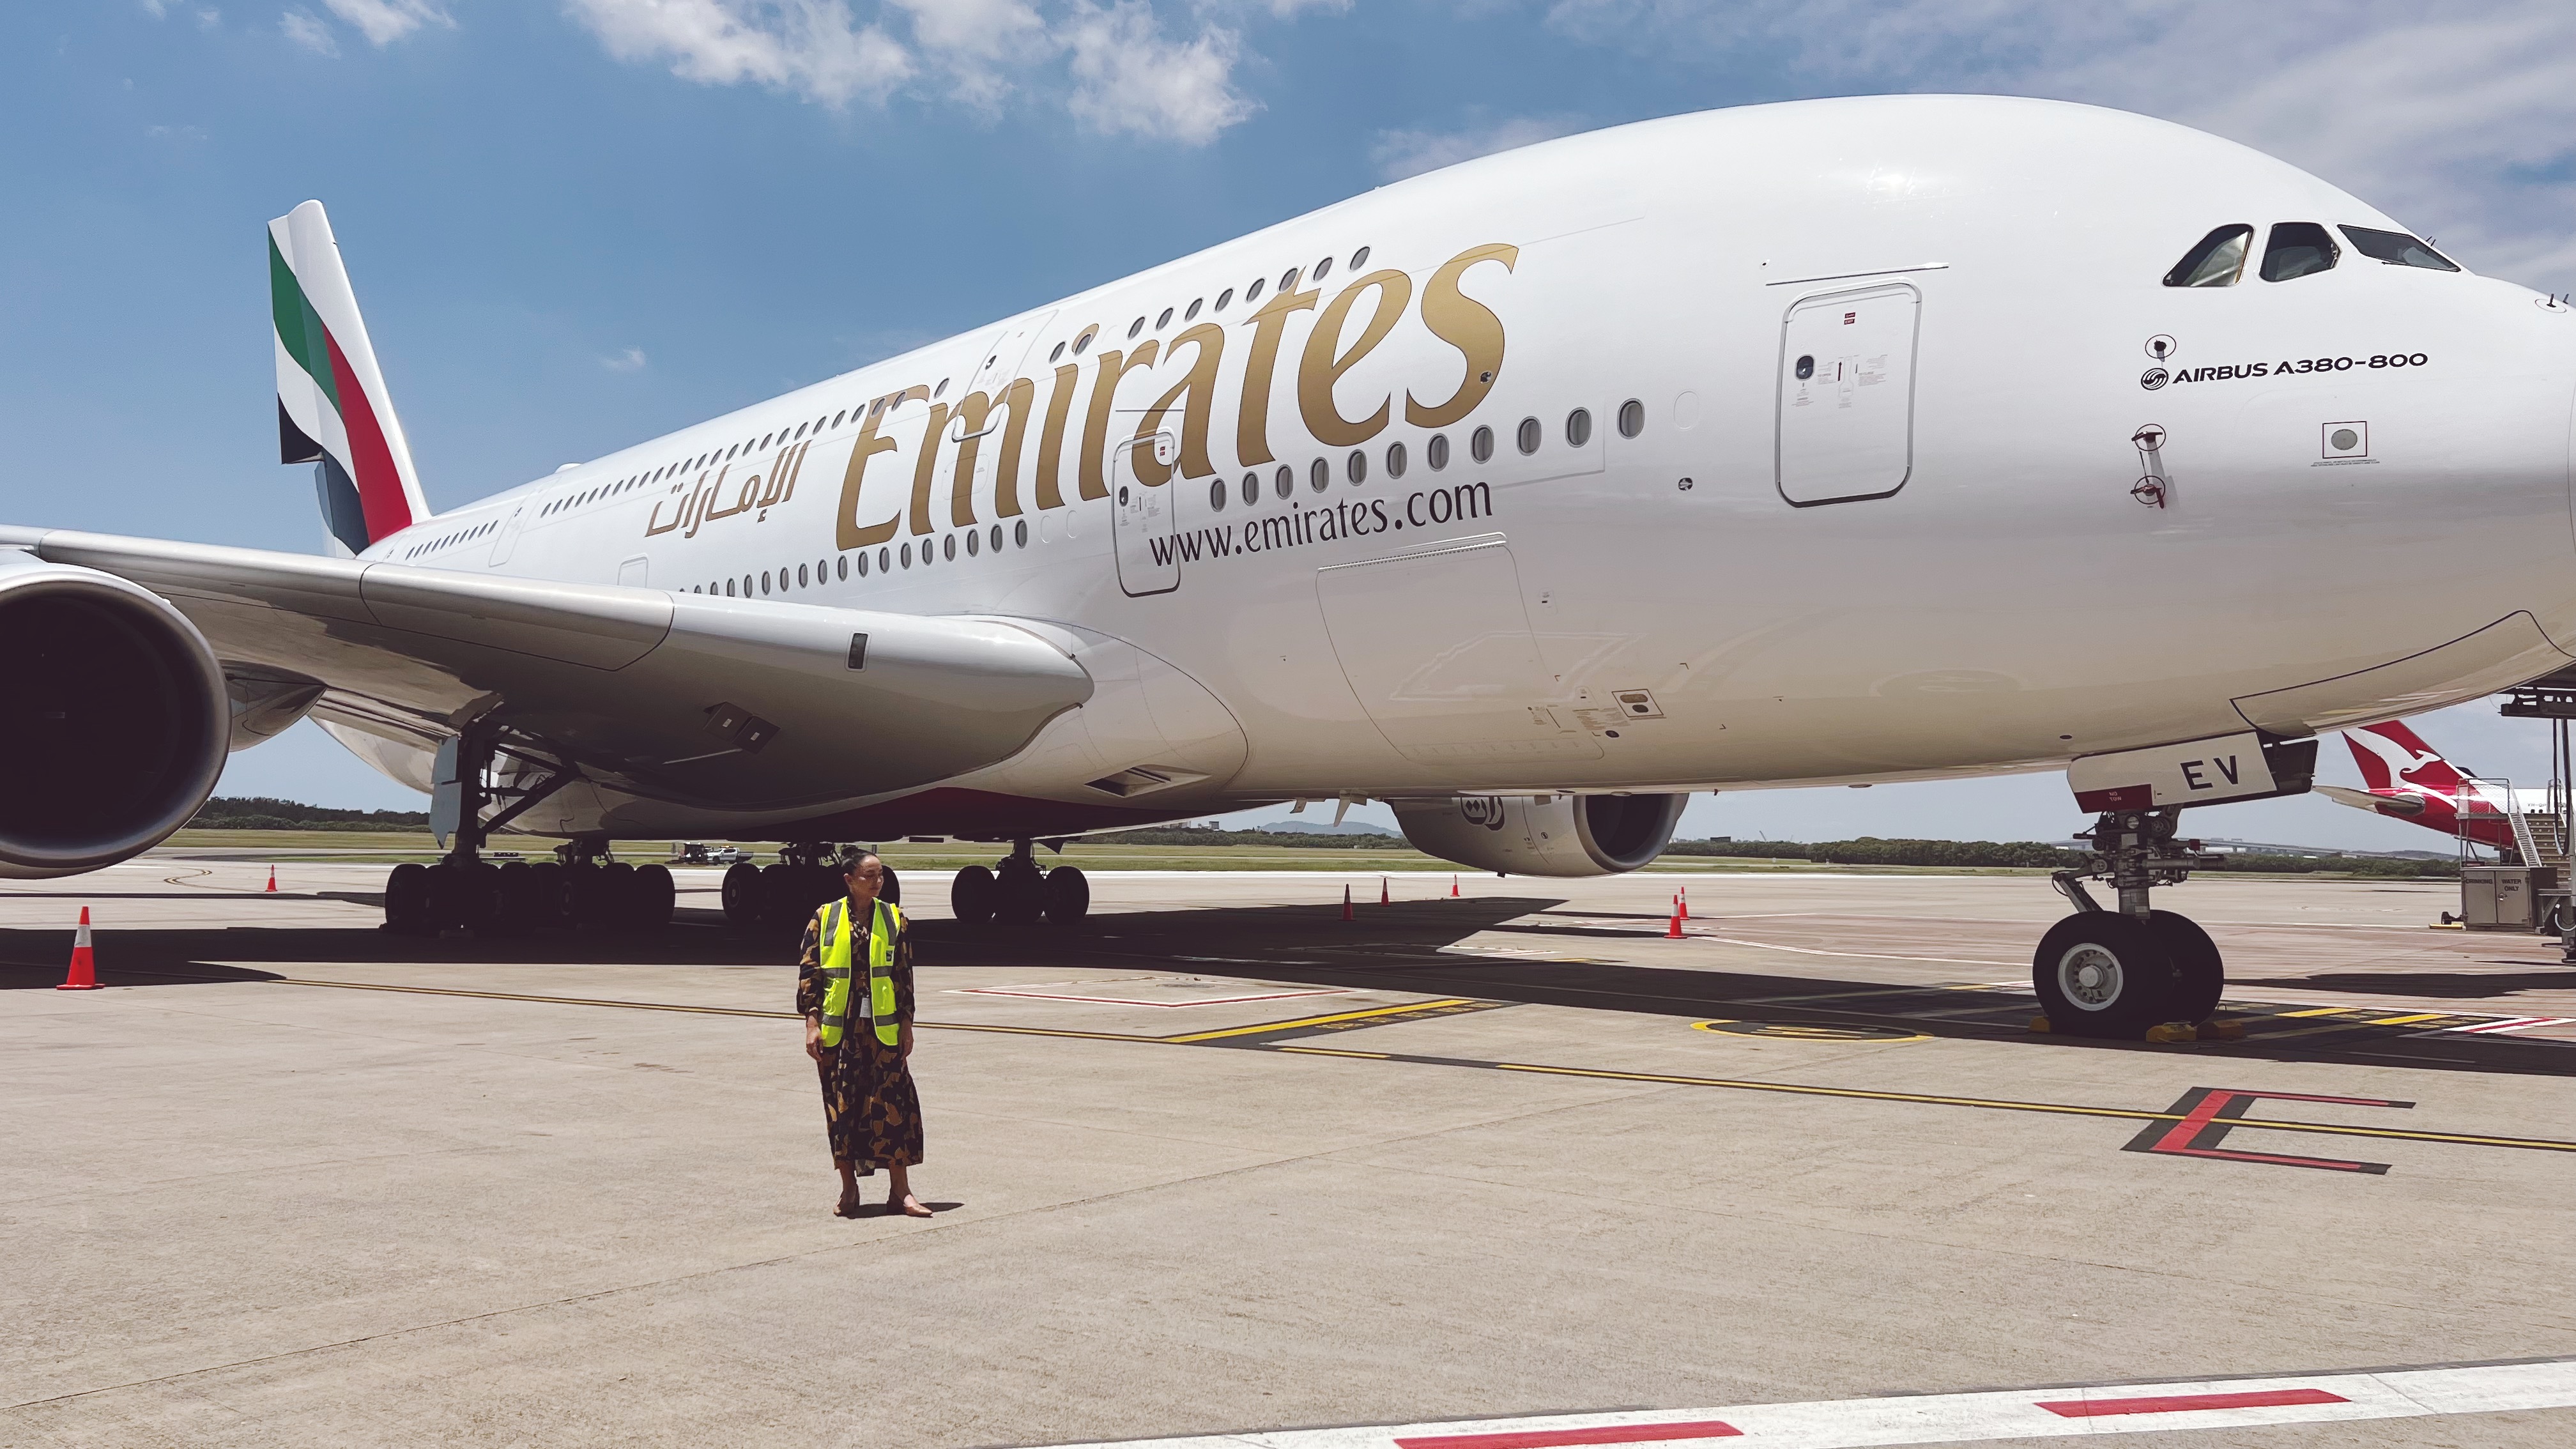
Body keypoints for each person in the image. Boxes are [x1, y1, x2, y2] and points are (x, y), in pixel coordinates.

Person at [795, 852, 930, 1218]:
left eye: (880, 877)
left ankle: (901, 1193)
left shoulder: (894, 917)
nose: (876, 883)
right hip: (840, 1031)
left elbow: (904, 974)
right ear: (849, 879)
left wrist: (907, 1023)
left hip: (882, 1030)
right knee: (842, 1108)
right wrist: (811, 1023)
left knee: (894, 1107)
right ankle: (849, 1191)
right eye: (868, 876)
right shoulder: (824, 918)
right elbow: (810, 972)